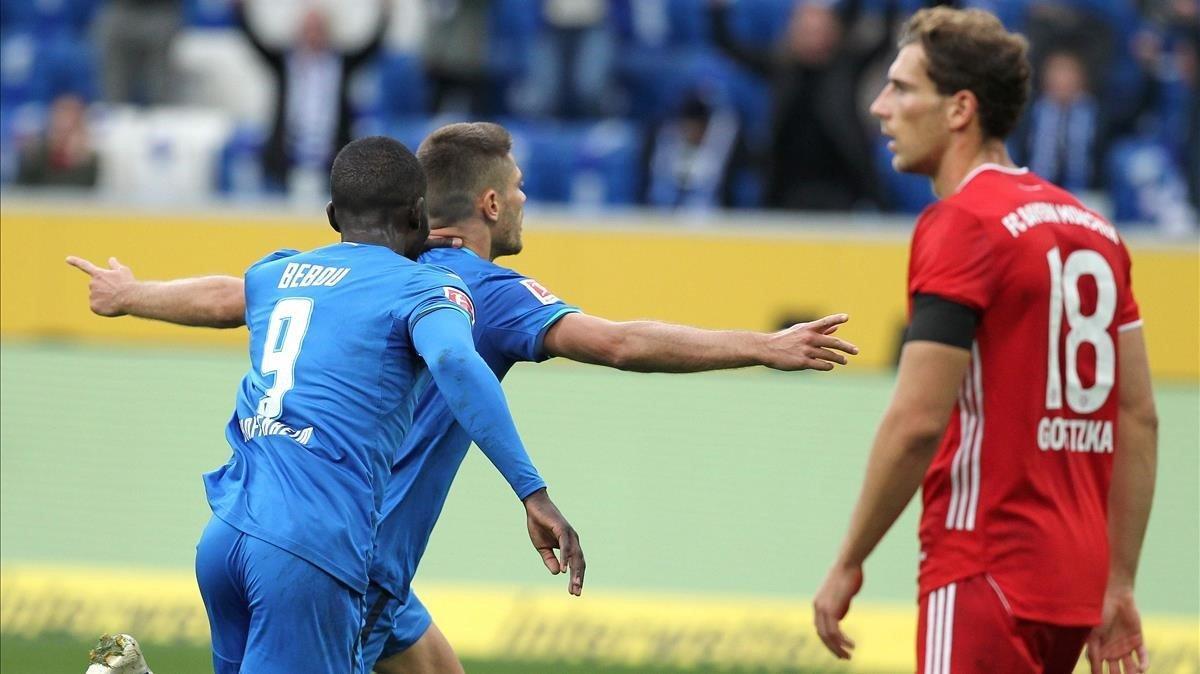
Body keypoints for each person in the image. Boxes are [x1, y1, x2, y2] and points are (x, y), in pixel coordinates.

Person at [67, 122, 859, 673]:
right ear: (486, 205)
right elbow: (619, 343)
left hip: (250, 522)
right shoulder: (472, 293)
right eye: (516, 189)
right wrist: (764, 345)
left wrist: (134, 294)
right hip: (341, 551)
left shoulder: (310, 269)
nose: (522, 201)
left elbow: (226, 294)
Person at [68, 136, 584, 674]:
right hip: (308, 547)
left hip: (226, 535)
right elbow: (456, 362)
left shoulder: (280, 275)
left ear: (334, 215)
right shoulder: (425, 288)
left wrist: (129, 295)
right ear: (419, 213)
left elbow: (223, 299)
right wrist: (532, 491)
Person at [810, 8, 1155, 674]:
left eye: (903, 88)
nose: (882, 107)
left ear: (960, 108)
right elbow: (1138, 416)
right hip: (1076, 587)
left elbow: (916, 422)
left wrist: (849, 561)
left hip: (982, 570)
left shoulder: (962, 224)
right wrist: (1120, 581)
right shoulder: (1096, 231)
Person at [236, 0, 389, 191]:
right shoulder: (285, 63)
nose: (312, 34)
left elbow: (372, 46)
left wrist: (385, 11)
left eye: (317, 28)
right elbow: (254, 41)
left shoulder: (340, 64)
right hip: (285, 158)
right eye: (308, 28)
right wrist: (240, 9)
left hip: (332, 159)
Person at [16, 94, 99, 188]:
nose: (65, 124)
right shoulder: (34, 154)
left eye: (70, 129)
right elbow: (22, 190)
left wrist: (77, 160)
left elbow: (83, 193)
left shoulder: (89, 161)